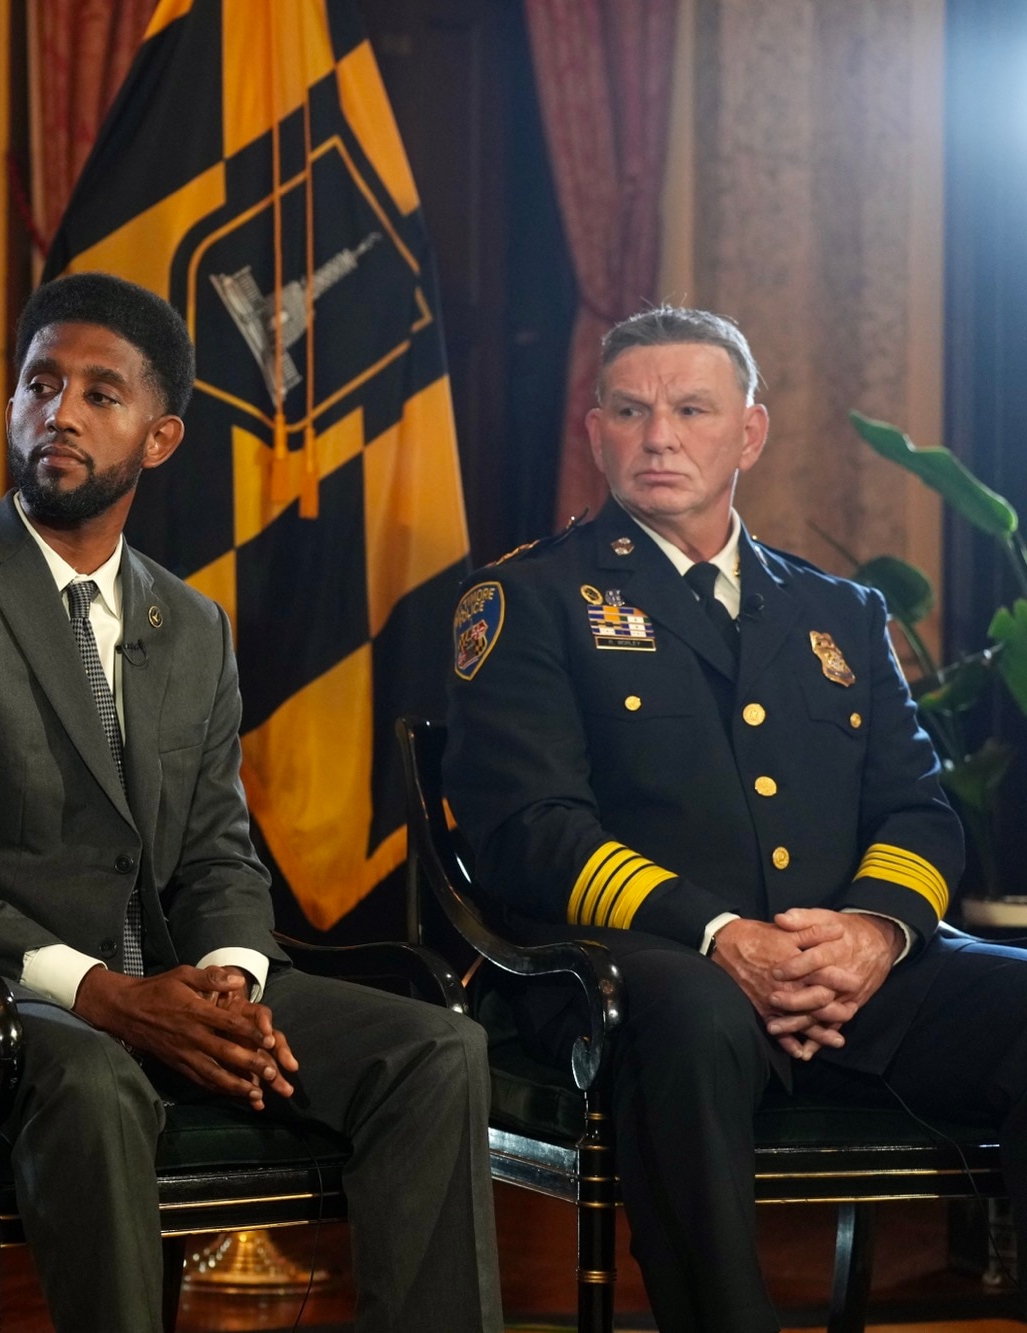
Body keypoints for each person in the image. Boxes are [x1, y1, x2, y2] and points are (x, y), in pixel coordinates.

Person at [0, 271, 503, 1333]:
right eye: (39, 385)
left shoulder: (192, 625)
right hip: (4, 1005)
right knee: (95, 1083)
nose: (60, 412)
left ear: (159, 436)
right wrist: (108, 995)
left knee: (434, 1050)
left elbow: (219, 851)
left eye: (99, 393)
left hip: (175, 984)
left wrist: (226, 985)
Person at [443, 305, 1027, 1332]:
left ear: (745, 434)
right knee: (693, 1010)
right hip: (642, 969)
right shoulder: (527, 598)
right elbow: (529, 830)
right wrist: (722, 936)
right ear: (594, 434)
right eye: (628, 410)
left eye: (688, 408)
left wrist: (869, 933)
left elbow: (917, 809)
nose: (656, 434)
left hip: (843, 975)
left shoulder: (834, 613)